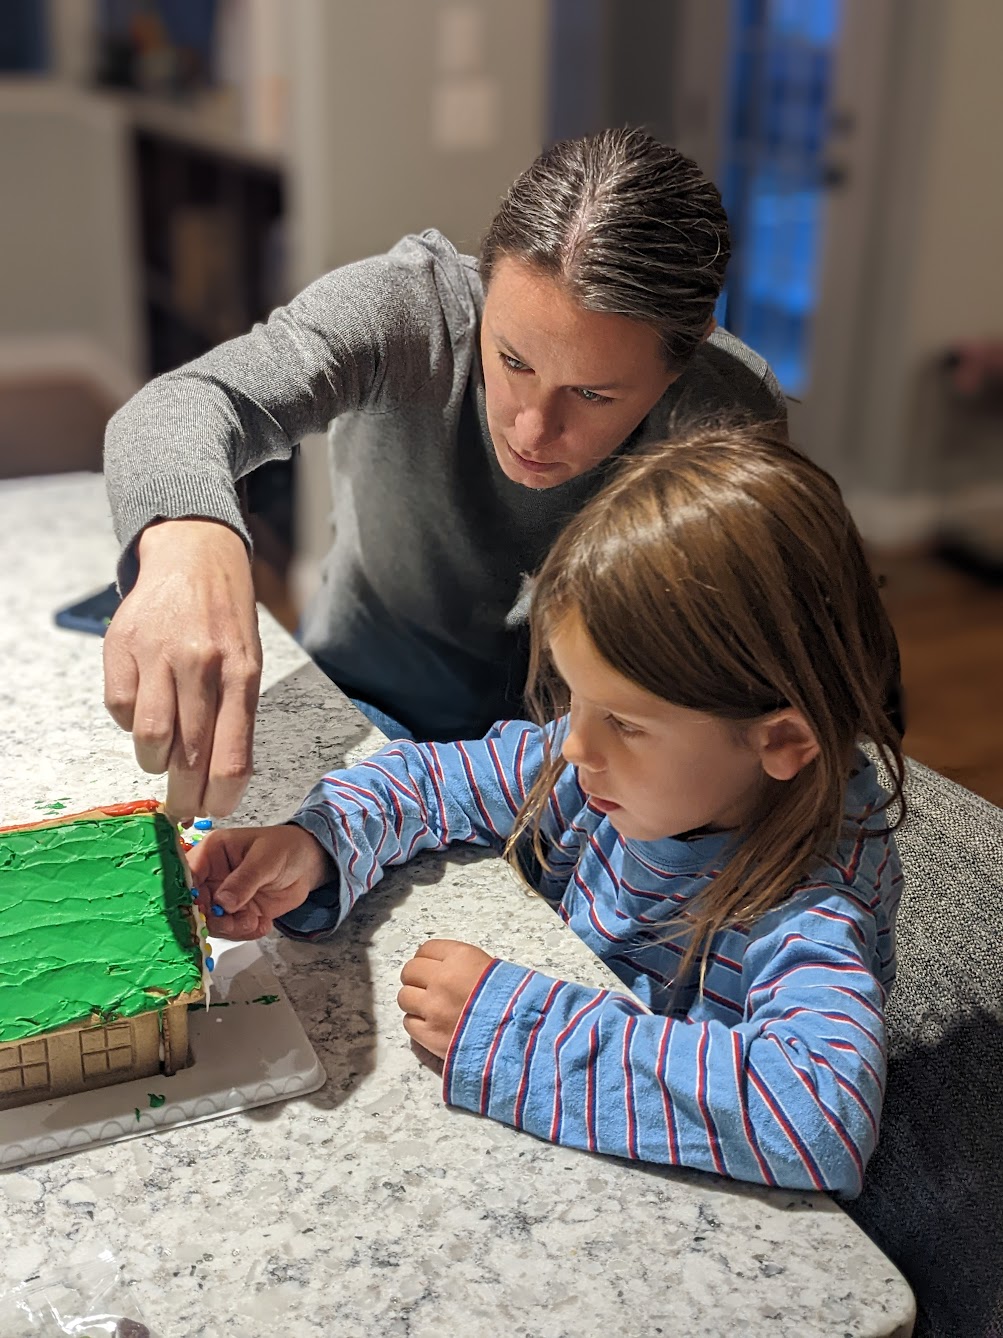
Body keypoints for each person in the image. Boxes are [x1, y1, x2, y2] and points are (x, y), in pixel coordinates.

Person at [188, 424, 905, 1196]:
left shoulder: (811, 898)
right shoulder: (599, 761)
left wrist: (511, 1026)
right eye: (575, 699)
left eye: (626, 722)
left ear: (780, 740)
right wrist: (313, 847)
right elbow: (431, 782)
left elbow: (819, 1116)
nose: (572, 747)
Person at [102, 128, 785, 821]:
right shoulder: (404, 309)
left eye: (591, 394)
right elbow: (188, 402)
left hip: (576, 762)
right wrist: (188, 536)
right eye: (512, 361)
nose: (531, 431)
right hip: (362, 710)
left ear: (688, 350)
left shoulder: (726, 409)